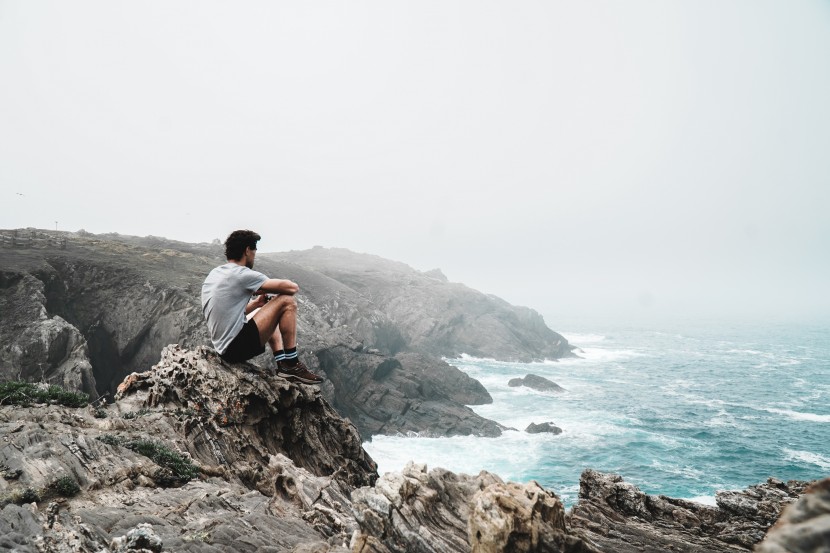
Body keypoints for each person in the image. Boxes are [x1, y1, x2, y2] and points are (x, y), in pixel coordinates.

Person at [201, 229, 323, 384]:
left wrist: (258, 303)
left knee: (262, 309)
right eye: (254, 251)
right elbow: (292, 288)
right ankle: (292, 364)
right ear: (247, 250)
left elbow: (228, 313)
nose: (254, 255)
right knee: (287, 300)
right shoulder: (241, 273)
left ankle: (281, 364)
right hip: (236, 347)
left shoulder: (216, 273)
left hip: (224, 348)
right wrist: (265, 288)